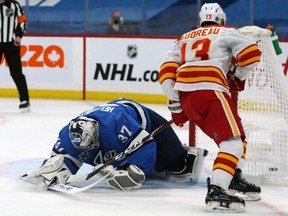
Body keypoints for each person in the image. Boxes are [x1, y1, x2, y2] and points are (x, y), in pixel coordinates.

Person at [157, 3, 262, 213]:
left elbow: (166, 74)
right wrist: (237, 77)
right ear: (221, 19)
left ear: (200, 20)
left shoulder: (183, 38)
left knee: (238, 134)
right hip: (210, 91)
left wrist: (176, 105)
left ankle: (231, 176)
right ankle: (217, 189)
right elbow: (252, 54)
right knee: (232, 144)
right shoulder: (225, 32)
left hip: (187, 96)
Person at [21, 98, 208, 191]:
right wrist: (58, 167)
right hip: (114, 125)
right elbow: (65, 156)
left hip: (143, 119)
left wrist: (135, 171)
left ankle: (182, 154)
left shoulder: (116, 125)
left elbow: (147, 145)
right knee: (116, 158)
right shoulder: (69, 132)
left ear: (95, 134)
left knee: (177, 165)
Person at [0, 0, 30, 112]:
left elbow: (22, 20)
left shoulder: (14, 5)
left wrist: (19, 35)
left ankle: (25, 100)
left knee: (16, 72)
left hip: (11, 44)